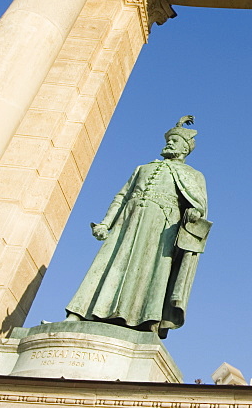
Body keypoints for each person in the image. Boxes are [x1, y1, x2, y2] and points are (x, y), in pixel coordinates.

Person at [64, 116, 210, 338]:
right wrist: (106, 223)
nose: (170, 143)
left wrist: (194, 213)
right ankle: (81, 311)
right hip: (128, 223)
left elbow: (198, 206)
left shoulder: (193, 175)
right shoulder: (142, 168)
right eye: (169, 140)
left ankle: (148, 321)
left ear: (185, 148)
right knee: (109, 263)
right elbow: (122, 196)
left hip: (161, 229)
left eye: (176, 141)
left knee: (152, 272)